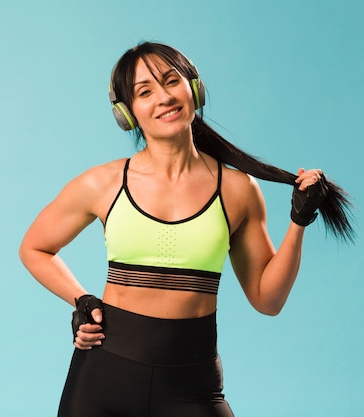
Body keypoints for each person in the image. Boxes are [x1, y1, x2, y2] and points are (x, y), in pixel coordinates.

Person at [18, 42, 355, 417]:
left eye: (171, 81)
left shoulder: (237, 189)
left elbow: (267, 300)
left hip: (192, 383)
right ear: (127, 114)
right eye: (145, 92)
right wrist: (82, 299)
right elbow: (35, 248)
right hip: (103, 375)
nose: (163, 98)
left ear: (194, 88)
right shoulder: (103, 183)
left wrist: (299, 223)